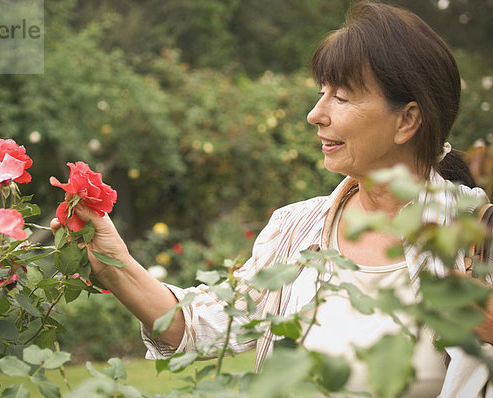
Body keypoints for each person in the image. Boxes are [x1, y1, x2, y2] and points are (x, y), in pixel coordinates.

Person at [51, 1, 492, 396]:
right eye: (322, 93)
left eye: (340, 97)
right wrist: (113, 262)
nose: (315, 114)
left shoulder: (475, 239)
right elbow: (200, 327)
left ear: (407, 120)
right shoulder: (295, 230)